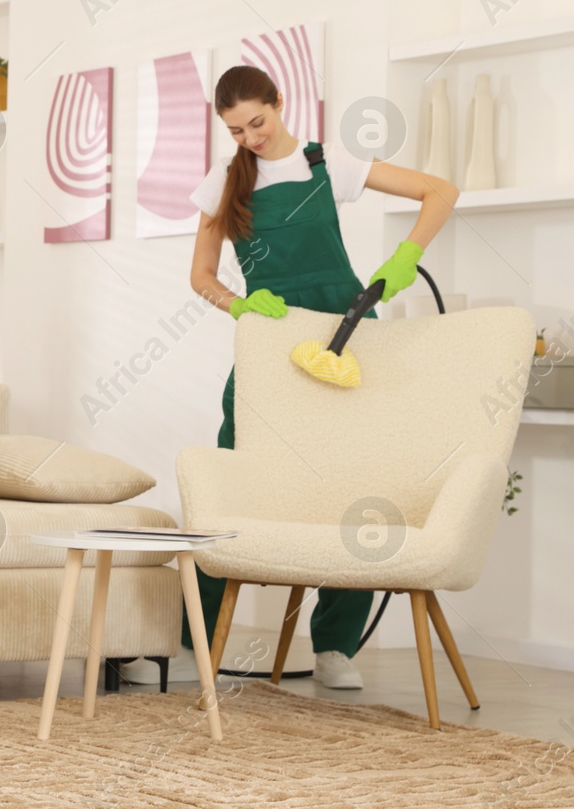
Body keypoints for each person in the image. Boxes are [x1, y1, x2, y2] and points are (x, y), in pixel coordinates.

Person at [119, 65, 458, 691]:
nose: (249, 136)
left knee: (356, 482)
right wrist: (240, 304)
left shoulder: (330, 164)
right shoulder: (224, 184)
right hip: (270, 342)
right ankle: (189, 641)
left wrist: (407, 255)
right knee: (231, 480)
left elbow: (441, 190)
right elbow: (201, 276)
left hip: (348, 332)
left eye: (257, 121)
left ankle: (334, 647)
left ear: (280, 103)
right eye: (235, 129)